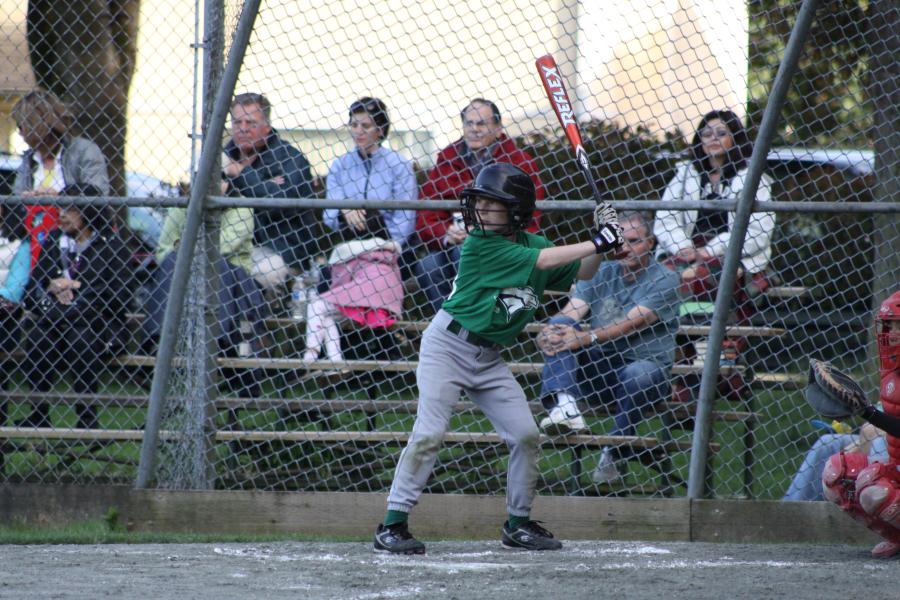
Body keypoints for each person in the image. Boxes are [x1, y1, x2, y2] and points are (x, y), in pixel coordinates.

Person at [373, 163, 623, 555]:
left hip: (488, 357)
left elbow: (584, 273)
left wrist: (604, 245)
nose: (482, 209)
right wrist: (597, 240)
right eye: (480, 201)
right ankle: (392, 524)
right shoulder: (480, 244)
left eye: (493, 203)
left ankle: (518, 524)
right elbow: (544, 262)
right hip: (447, 346)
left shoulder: (534, 243)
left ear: (517, 211)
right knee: (429, 433)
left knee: (525, 434)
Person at [535, 211, 680, 484]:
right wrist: (550, 332)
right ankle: (566, 408)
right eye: (620, 241)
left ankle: (613, 451)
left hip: (643, 374)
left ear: (650, 243)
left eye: (634, 241)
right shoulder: (601, 271)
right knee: (561, 326)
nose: (625, 248)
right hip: (599, 370)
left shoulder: (665, 278)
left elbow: (633, 323)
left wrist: (586, 338)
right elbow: (573, 310)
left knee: (640, 373)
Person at [305, 98, 416, 365]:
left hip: (386, 246)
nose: (358, 131)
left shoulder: (398, 165)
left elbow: (404, 222)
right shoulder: (340, 165)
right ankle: (337, 358)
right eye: (354, 125)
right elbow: (329, 215)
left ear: (381, 129)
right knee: (325, 279)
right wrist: (346, 208)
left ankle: (377, 354)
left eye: (366, 126)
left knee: (372, 275)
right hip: (349, 244)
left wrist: (373, 224)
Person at [414, 98, 544, 315]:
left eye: (482, 124)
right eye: (469, 123)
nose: (474, 129)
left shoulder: (518, 161)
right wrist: (445, 232)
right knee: (428, 266)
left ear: (498, 128)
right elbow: (426, 213)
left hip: (498, 244)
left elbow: (530, 214)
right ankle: (448, 321)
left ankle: (476, 320)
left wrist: (488, 233)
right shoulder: (447, 159)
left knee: (465, 253)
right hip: (453, 242)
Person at [20, 184, 130, 428]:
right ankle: (39, 415)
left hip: (96, 324)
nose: (61, 214)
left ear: (88, 211)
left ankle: (87, 418)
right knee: (38, 337)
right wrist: (52, 287)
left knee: (80, 338)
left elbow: (122, 296)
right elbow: (31, 290)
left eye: (69, 209)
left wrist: (79, 287)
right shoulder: (54, 241)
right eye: (60, 208)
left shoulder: (111, 245)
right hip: (55, 321)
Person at [652, 109, 775, 323]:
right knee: (661, 275)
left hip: (732, 254)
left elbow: (758, 232)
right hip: (687, 251)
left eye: (721, 133)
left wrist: (711, 250)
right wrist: (682, 247)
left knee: (702, 276)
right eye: (707, 134)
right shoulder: (684, 175)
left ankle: (707, 331)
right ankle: (672, 331)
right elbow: (665, 219)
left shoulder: (753, 179)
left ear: (735, 138)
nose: (713, 139)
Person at [821, 290, 900, 558]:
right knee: (838, 474)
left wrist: (867, 413)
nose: (891, 334)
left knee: (872, 488)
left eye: (898, 326)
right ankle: (897, 537)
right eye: (887, 326)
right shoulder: (890, 372)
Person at [222, 92, 318, 284]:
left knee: (267, 272)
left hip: (278, 248)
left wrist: (238, 172)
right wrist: (263, 184)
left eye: (251, 123)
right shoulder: (223, 156)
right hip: (229, 243)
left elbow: (278, 202)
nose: (243, 129)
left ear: (266, 127)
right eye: (237, 122)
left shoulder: (290, 159)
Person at [783, 423, 887, 502]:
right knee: (827, 442)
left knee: (878, 442)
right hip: (875, 433)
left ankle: (877, 508)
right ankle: (790, 508)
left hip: (889, 441)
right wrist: (844, 454)